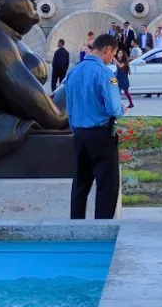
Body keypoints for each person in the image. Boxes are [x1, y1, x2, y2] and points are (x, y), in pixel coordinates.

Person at [65, 33, 124, 220]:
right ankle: (102, 227)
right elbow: (113, 107)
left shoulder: (73, 71)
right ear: (107, 49)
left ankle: (76, 226)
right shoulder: (107, 73)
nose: (111, 59)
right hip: (100, 134)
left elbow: (69, 106)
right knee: (107, 184)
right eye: (112, 54)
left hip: (79, 134)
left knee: (80, 183)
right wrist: (122, 110)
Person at [115, 43, 133, 109]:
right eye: (118, 53)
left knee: (126, 91)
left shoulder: (124, 61)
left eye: (121, 53)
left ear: (123, 55)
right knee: (114, 88)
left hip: (124, 79)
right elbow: (118, 68)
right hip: (117, 78)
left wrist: (113, 58)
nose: (119, 54)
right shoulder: (118, 60)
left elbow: (120, 66)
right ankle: (117, 104)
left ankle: (131, 103)